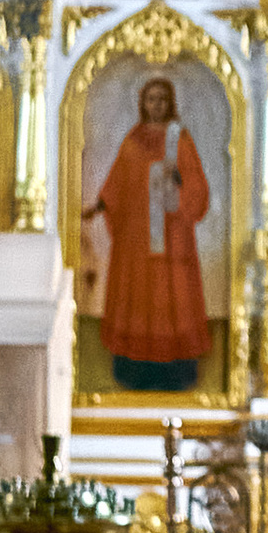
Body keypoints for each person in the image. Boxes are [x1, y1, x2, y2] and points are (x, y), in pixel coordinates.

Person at [84, 74, 212, 391]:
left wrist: (179, 188)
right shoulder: (133, 139)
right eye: (151, 99)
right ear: (142, 102)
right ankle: (134, 369)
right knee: (137, 294)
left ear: (170, 103)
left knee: (172, 293)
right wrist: (100, 204)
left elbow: (196, 186)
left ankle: (177, 371)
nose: (156, 105)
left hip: (173, 235)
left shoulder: (179, 139)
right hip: (135, 237)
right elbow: (119, 181)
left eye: (162, 99)